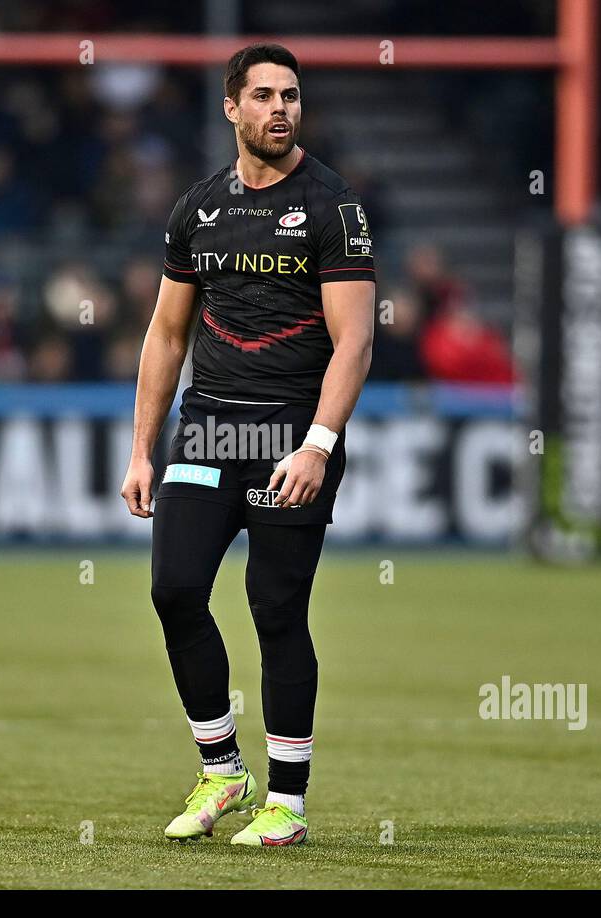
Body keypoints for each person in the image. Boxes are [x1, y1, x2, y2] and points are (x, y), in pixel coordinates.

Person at [119, 43, 375, 846]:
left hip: (291, 436)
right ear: (232, 107)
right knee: (174, 589)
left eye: (290, 96)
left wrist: (319, 444)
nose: (279, 109)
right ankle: (224, 769)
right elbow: (165, 335)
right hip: (209, 427)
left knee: (275, 606)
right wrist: (141, 448)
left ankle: (289, 804)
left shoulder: (334, 207)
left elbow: (356, 341)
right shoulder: (198, 209)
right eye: (263, 96)